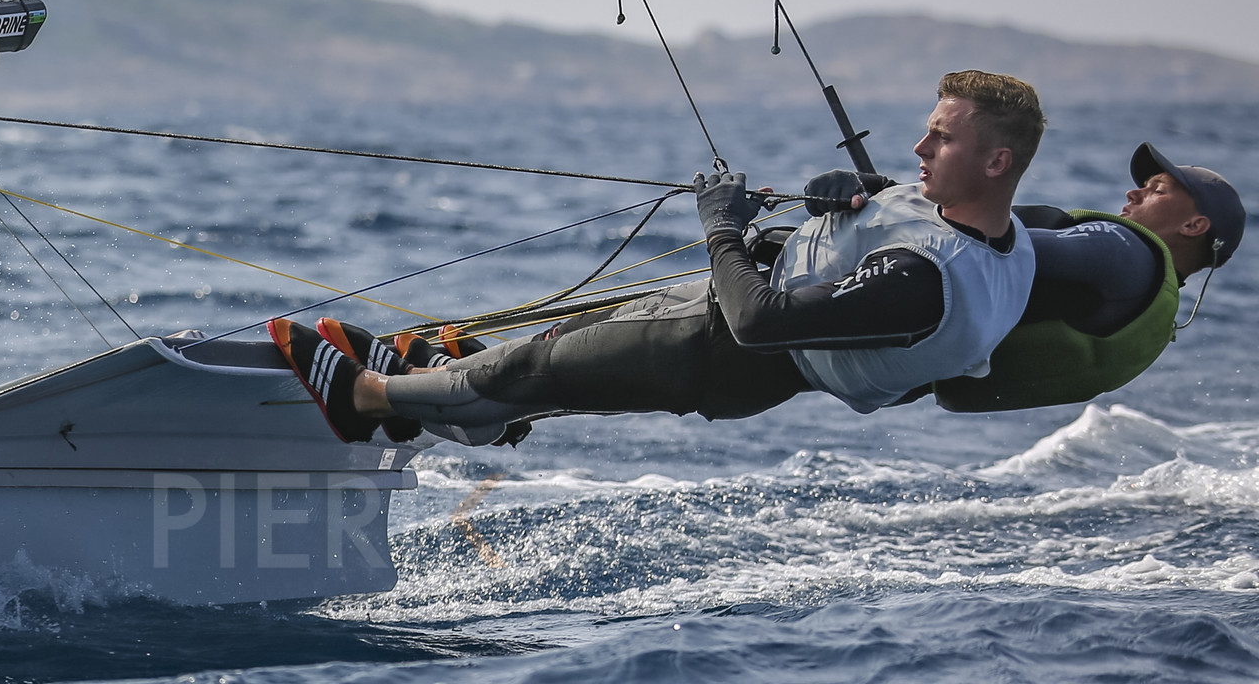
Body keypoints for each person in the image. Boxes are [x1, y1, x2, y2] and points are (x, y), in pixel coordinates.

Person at [268, 70, 1046, 446]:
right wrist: (866, 196)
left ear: (996, 163)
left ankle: (366, 398)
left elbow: (760, 323)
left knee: (524, 374)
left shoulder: (923, 283)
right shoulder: (1002, 243)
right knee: (544, 358)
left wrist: (721, 229)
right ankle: (438, 403)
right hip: (706, 331)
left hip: (717, 353)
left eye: (942, 137)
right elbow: (922, 232)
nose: (919, 146)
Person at [926, 142, 1245, 410]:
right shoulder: (1150, 321)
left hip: (912, 308)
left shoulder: (1123, 249)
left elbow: (983, 244)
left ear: (1193, 226)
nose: (1133, 194)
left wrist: (893, 199)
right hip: (918, 368)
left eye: (1156, 191)